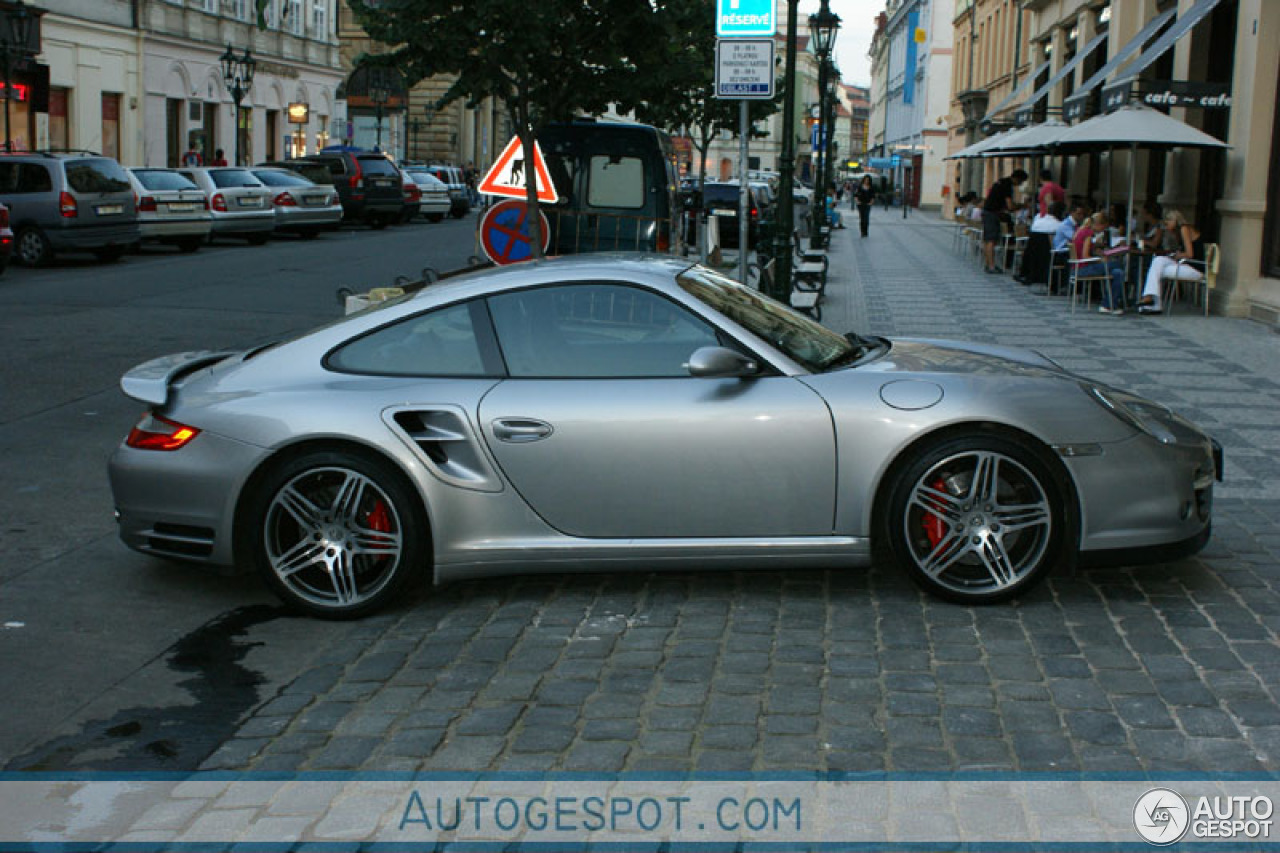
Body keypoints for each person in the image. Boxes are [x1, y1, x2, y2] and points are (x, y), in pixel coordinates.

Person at [1138, 209, 1205, 314]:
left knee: (1158, 270)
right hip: (1185, 264)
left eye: (1167, 223)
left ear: (1174, 221)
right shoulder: (1179, 231)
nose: (1166, 226)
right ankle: (1150, 299)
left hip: (1196, 267)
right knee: (1158, 260)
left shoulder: (1184, 228)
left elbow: (1189, 254)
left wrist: (1177, 255)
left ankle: (1153, 303)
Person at [1072, 212, 1127, 315]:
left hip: (1077, 267)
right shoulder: (1088, 233)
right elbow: (1085, 256)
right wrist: (1100, 260)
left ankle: (1107, 305)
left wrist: (1097, 250)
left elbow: (1087, 249)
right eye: (1103, 228)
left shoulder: (1080, 230)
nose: (1103, 231)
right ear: (1099, 225)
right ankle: (1111, 304)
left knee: (1118, 272)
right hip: (1083, 268)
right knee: (1118, 264)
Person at [982, 168, 1028, 274]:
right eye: (1021, 182)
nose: (1020, 184)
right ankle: (991, 266)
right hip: (992, 213)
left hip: (988, 212)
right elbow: (1010, 206)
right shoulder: (1007, 185)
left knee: (988, 240)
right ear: (1017, 178)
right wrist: (1022, 206)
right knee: (991, 240)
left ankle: (988, 264)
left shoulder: (1001, 181)